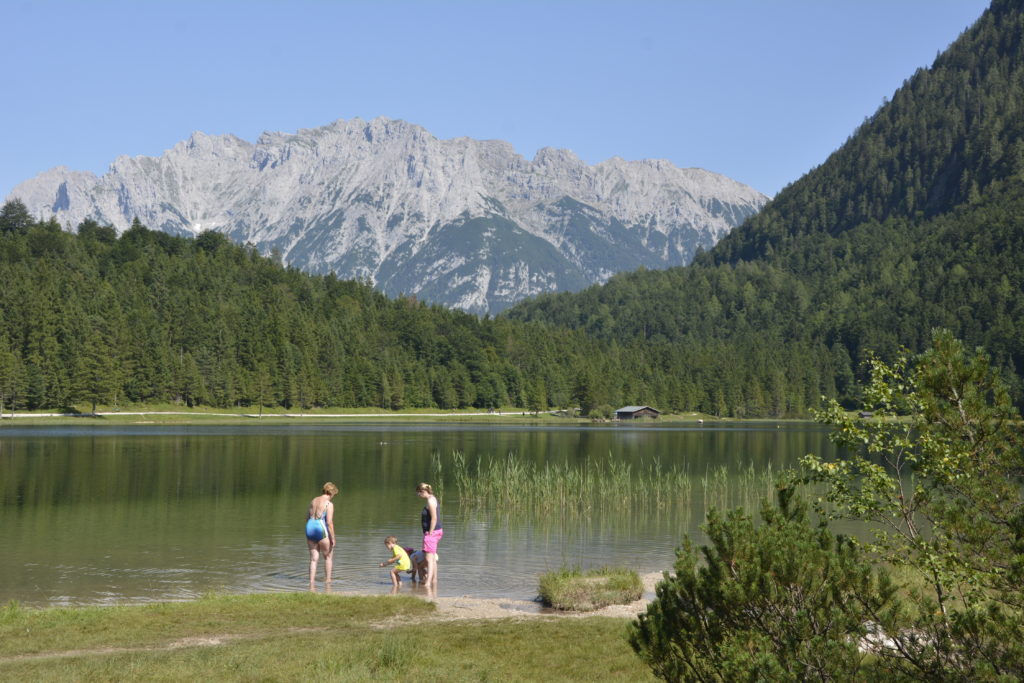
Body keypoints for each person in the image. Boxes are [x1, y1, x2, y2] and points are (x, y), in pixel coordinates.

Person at [305, 482, 337, 590]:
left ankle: (311, 583)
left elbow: (307, 517)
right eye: (334, 495)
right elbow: (329, 523)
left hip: (309, 527)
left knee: (314, 559)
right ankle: (328, 582)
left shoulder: (313, 500)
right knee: (328, 556)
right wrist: (333, 538)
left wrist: (309, 529)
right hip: (320, 527)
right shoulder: (329, 504)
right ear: (331, 493)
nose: (333, 497)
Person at [415, 482, 443, 588]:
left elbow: (434, 518)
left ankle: (427, 583)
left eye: (419, 494)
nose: (419, 496)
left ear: (423, 491)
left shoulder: (430, 501)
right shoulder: (432, 498)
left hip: (432, 532)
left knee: (429, 559)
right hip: (436, 531)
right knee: (432, 558)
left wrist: (430, 532)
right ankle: (434, 580)